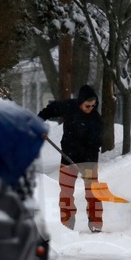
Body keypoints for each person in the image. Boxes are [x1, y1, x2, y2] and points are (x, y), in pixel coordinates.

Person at [38, 84, 104, 233]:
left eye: (93, 105)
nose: (91, 108)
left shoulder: (96, 119)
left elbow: (96, 143)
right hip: (68, 158)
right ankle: (67, 224)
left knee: (92, 192)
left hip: (89, 161)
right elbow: (50, 109)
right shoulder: (69, 107)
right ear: (80, 102)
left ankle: (95, 223)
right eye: (88, 105)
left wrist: (85, 159)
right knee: (66, 193)